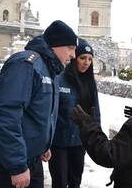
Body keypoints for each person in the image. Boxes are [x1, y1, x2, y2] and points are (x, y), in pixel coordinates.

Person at [0, 20, 77, 188]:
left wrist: (44, 144)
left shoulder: (49, 70)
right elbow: (6, 115)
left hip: (30, 159)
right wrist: (16, 166)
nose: (73, 55)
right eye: (71, 48)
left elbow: (38, 114)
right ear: (56, 44)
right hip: (7, 165)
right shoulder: (25, 64)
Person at [49, 38, 101, 188]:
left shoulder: (90, 83)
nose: (86, 62)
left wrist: (97, 135)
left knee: (75, 181)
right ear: (74, 58)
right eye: (82, 58)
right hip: (59, 141)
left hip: (79, 141)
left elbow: (95, 111)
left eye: (90, 59)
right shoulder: (59, 78)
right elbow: (50, 110)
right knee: (59, 182)